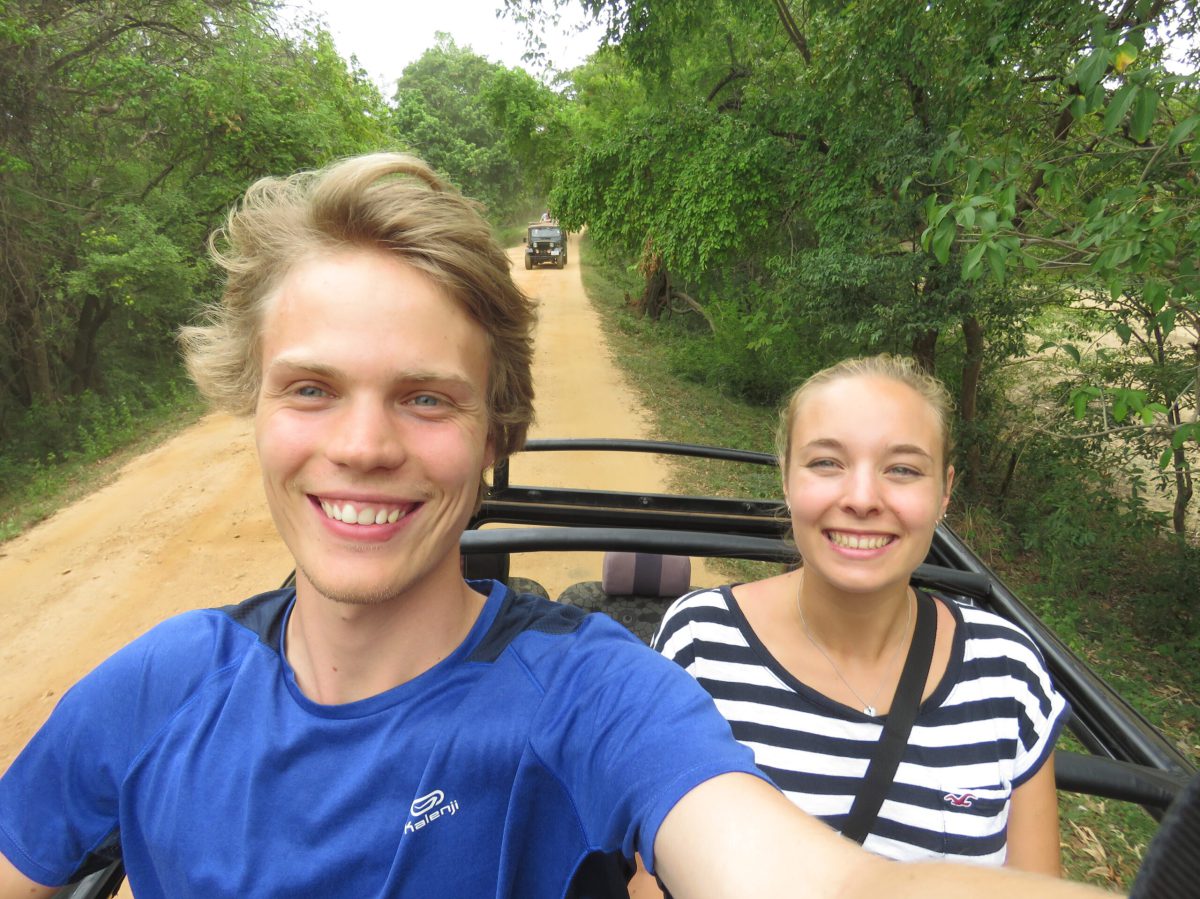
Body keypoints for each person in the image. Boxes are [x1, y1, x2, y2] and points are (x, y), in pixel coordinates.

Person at [0, 156, 1108, 899]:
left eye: (426, 397)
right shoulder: (157, 684)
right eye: (310, 389)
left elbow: (809, 875)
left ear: (497, 431)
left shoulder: (592, 691)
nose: (364, 445)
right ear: (251, 404)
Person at [646, 355, 1068, 881]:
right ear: (785, 478)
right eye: (826, 462)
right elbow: (651, 883)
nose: (863, 498)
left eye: (903, 470)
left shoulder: (1006, 671)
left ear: (944, 492)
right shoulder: (701, 641)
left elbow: (1034, 887)